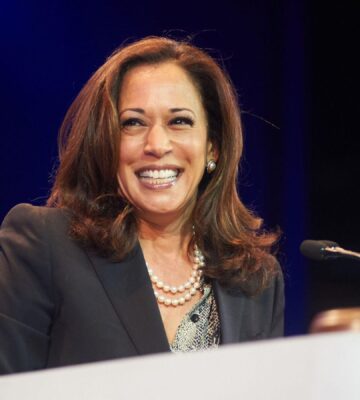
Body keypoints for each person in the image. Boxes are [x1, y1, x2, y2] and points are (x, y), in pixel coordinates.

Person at [0, 36, 284, 375]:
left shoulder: (256, 281)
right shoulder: (44, 244)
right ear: (106, 141)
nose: (156, 144)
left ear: (213, 147)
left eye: (179, 121)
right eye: (133, 123)